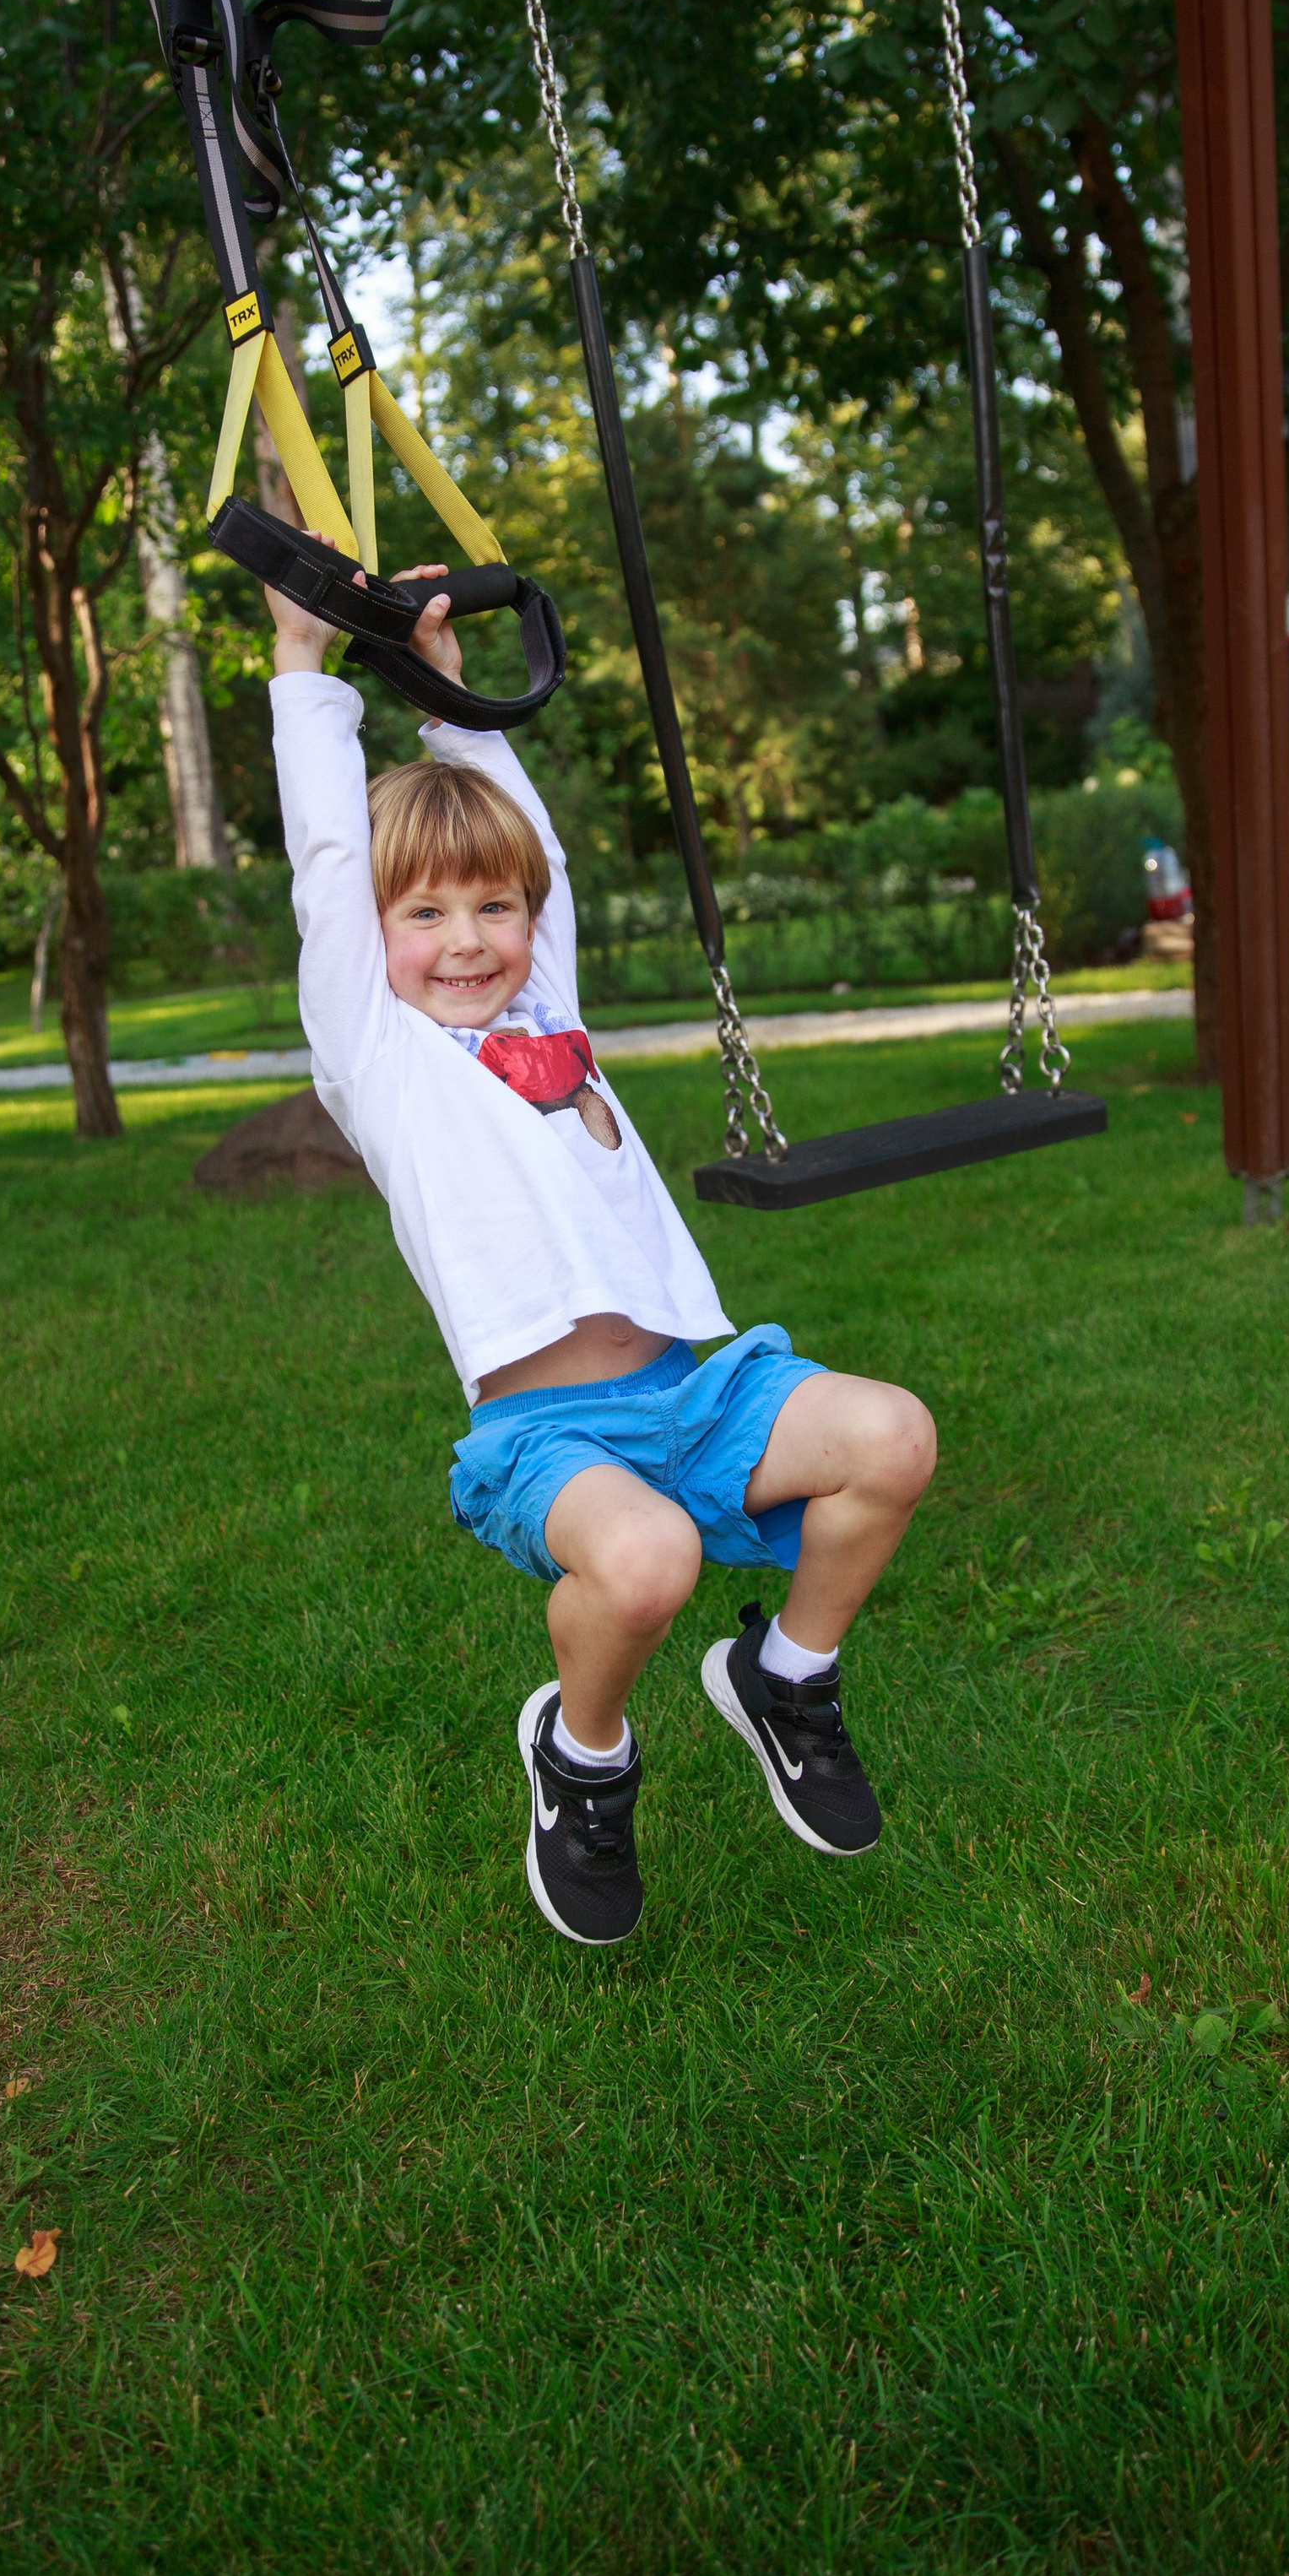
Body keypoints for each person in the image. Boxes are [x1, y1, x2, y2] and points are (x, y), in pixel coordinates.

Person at [266, 560, 936, 1947]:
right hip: (546, 1435)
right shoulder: (381, 1058)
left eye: (492, 911)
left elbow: (544, 860)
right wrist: (304, 673)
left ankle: (787, 1677)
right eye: (425, 916)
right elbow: (328, 868)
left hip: (694, 1391)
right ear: (376, 943)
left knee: (892, 1436)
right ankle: (583, 1761)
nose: (468, 942)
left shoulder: (548, 1008)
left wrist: (446, 694)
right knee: (645, 1566)